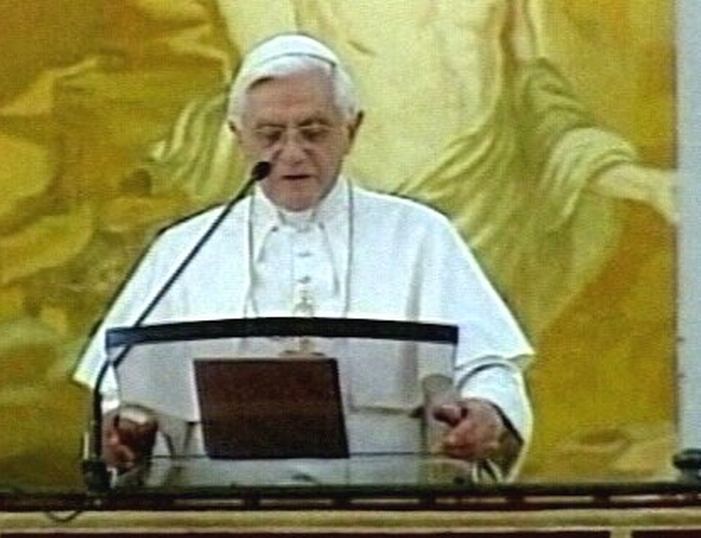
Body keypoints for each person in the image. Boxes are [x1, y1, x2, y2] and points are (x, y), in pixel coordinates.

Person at [74, 33, 533, 484]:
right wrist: (128, 432)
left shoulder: (419, 235)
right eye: (270, 135)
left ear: (351, 130)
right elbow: (127, 392)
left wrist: (487, 411)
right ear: (238, 137)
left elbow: (486, 366)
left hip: (383, 512)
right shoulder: (184, 248)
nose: (292, 153)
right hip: (223, 514)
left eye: (313, 132)